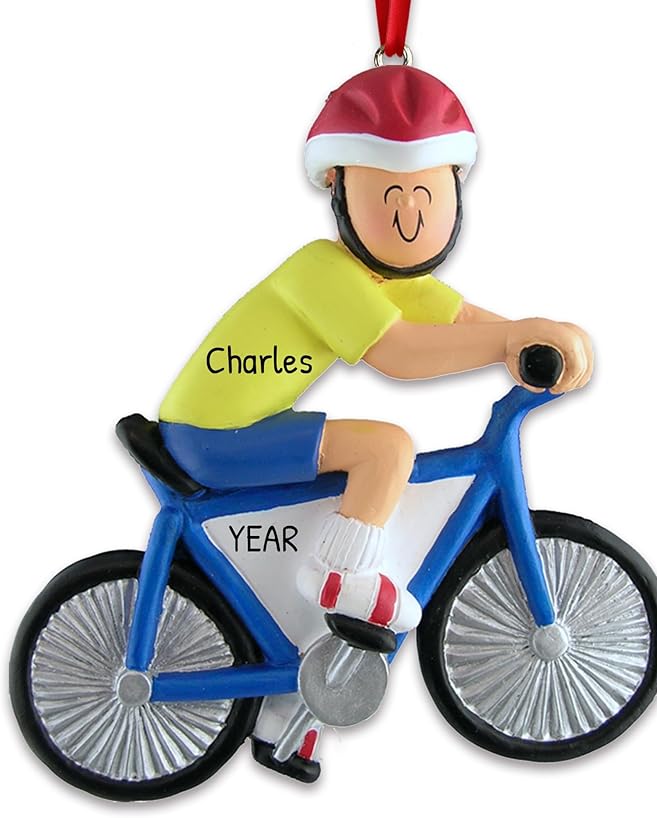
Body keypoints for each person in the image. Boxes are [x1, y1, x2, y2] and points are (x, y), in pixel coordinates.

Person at [158, 65, 592, 779]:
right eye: (389, 195)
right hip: (215, 437)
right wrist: (510, 342)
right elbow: (400, 353)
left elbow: (458, 317)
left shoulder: (383, 279)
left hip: (239, 427)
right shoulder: (320, 270)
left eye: (425, 194)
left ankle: (287, 713)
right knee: (385, 449)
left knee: (334, 512)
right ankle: (337, 577)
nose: (409, 214)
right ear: (339, 189)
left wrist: (535, 332)